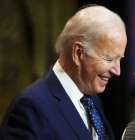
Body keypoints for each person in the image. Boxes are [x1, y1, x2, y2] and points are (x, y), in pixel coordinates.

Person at [1, 5, 127, 140]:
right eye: (109, 59)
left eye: (119, 59)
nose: (117, 71)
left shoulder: (92, 101)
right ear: (78, 53)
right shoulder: (30, 107)